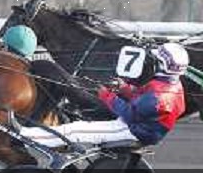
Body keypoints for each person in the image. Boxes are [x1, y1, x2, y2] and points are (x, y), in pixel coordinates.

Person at [20, 42, 188, 148]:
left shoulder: (157, 97)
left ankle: (23, 136)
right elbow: (141, 97)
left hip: (131, 129)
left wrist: (106, 95)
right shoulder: (172, 85)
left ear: (161, 65)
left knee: (74, 131)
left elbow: (128, 113)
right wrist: (125, 89)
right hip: (143, 127)